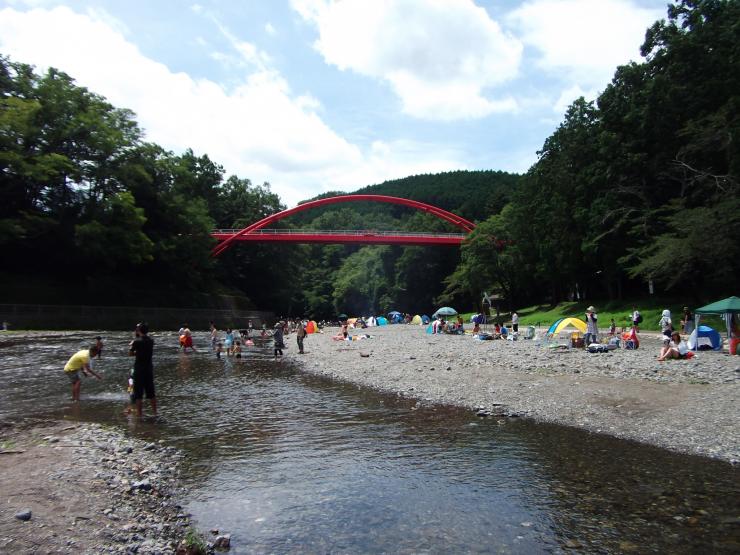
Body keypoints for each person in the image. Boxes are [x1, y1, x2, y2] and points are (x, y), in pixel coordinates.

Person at [129, 322, 156, 417]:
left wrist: (134, 347)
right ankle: (155, 413)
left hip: (139, 369)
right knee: (151, 393)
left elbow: (130, 354)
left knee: (138, 393)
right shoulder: (151, 340)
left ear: (139, 330)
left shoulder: (136, 341)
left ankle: (140, 415)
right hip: (149, 368)